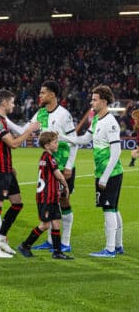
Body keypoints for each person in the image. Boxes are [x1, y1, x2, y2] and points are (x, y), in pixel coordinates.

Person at [60, 85, 124, 257]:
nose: (91, 102)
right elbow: (85, 139)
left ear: (103, 102)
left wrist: (104, 176)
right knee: (114, 208)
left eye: (94, 99)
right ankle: (118, 246)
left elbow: (116, 151)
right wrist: (64, 137)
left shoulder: (110, 122)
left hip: (110, 173)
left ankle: (110, 249)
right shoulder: (96, 119)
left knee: (108, 208)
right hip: (104, 172)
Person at [0, 89, 39, 258]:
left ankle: (1, 239)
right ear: (4, 103)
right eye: (12, 102)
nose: (14, 105)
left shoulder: (1, 120)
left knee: (17, 203)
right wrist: (29, 131)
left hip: (7, 168)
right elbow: (13, 143)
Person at [30, 81, 78, 253]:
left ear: (52, 95)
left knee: (64, 201)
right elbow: (25, 129)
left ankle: (65, 242)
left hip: (63, 166)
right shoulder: (40, 113)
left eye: (43, 93)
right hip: (48, 168)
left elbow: (75, 142)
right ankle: (51, 241)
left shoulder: (64, 115)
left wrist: (70, 166)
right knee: (51, 202)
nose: (40, 96)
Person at [17, 131, 74, 260]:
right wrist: (65, 185)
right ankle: (25, 245)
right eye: (55, 142)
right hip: (46, 196)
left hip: (50, 195)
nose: (57, 144)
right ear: (47, 145)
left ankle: (57, 252)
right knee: (45, 224)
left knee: (55, 223)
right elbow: (58, 174)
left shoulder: (45, 157)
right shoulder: (49, 157)